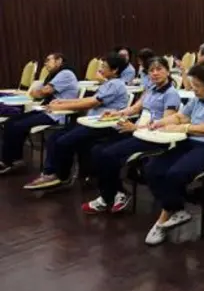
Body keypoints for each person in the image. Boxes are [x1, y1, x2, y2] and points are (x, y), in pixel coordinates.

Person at [143, 62, 204, 246]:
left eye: (198, 87)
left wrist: (183, 127)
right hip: (192, 143)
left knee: (176, 173)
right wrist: (160, 123)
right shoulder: (197, 100)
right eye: (193, 85)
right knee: (153, 168)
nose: (194, 90)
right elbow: (180, 116)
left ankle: (164, 218)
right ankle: (176, 209)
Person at [81, 57, 181, 214]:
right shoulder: (151, 90)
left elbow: (166, 123)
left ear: (168, 71)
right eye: (151, 70)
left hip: (154, 137)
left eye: (159, 69)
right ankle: (117, 191)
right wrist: (117, 113)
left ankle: (108, 197)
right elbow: (135, 108)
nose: (154, 73)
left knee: (108, 154)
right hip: (139, 132)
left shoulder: (171, 94)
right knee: (96, 150)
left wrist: (135, 127)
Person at [23, 52, 130, 191]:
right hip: (90, 122)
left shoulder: (115, 85)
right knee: (54, 138)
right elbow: (86, 100)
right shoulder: (109, 83)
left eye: (104, 66)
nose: (100, 69)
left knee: (63, 141)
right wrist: (64, 101)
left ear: (114, 70)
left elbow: (90, 103)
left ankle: (61, 176)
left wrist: (61, 106)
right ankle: (50, 172)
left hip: (102, 126)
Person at [0, 53, 79, 175]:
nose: (45, 64)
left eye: (48, 60)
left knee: (17, 125)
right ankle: (14, 159)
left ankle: (9, 161)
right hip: (45, 108)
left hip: (58, 113)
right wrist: (38, 92)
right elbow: (38, 93)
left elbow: (41, 93)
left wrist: (38, 92)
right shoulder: (53, 75)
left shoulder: (66, 73)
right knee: (11, 122)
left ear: (59, 61)